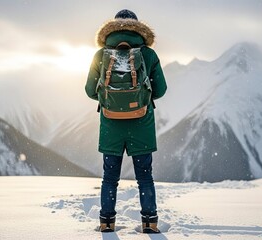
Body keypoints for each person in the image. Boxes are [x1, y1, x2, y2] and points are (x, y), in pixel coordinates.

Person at [85, 9, 167, 233]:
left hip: (111, 124)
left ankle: (106, 222)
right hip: (142, 123)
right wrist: (139, 100)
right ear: (137, 28)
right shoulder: (148, 54)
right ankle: (149, 222)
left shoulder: (101, 55)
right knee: (144, 176)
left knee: (110, 177)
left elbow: (89, 90)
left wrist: (110, 100)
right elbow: (161, 89)